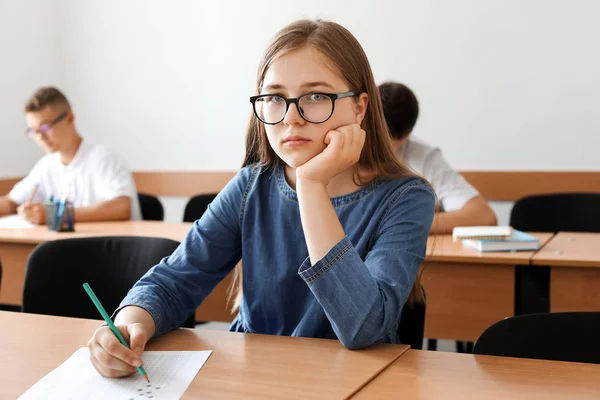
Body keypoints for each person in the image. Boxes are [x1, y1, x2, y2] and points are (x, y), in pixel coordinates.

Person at [87, 19, 436, 378]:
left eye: (316, 97)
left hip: (352, 383)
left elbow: (363, 328)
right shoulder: (251, 186)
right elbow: (173, 280)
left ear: (360, 107)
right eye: (274, 98)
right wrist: (130, 324)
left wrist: (311, 185)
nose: (292, 119)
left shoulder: (406, 198)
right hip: (256, 379)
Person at [0, 87, 141, 224]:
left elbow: (122, 207)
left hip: (113, 245)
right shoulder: (46, 165)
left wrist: (55, 215)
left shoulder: (104, 158)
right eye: (33, 131)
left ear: (69, 118)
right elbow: (11, 202)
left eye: (45, 128)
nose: (40, 137)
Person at [379, 82, 497, 234]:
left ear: (408, 134)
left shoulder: (423, 157)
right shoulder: (345, 152)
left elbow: (483, 216)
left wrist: (402, 224)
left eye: (390, 143)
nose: (382, 149)